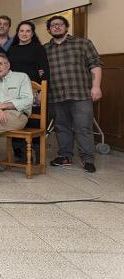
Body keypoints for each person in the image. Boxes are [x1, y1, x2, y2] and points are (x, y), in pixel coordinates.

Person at [45, 15, 102, 173]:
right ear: (49, 30)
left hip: (80, 94)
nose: (57, 27)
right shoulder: (45, 49)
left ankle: (87, 159)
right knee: (62, 127)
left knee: (83, 128)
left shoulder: (83, 43)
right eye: (53, 25)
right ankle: (65, 156)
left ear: (66, 27)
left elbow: (95, 65)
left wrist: (96, 87)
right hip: (55, 95)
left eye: (60, 24)